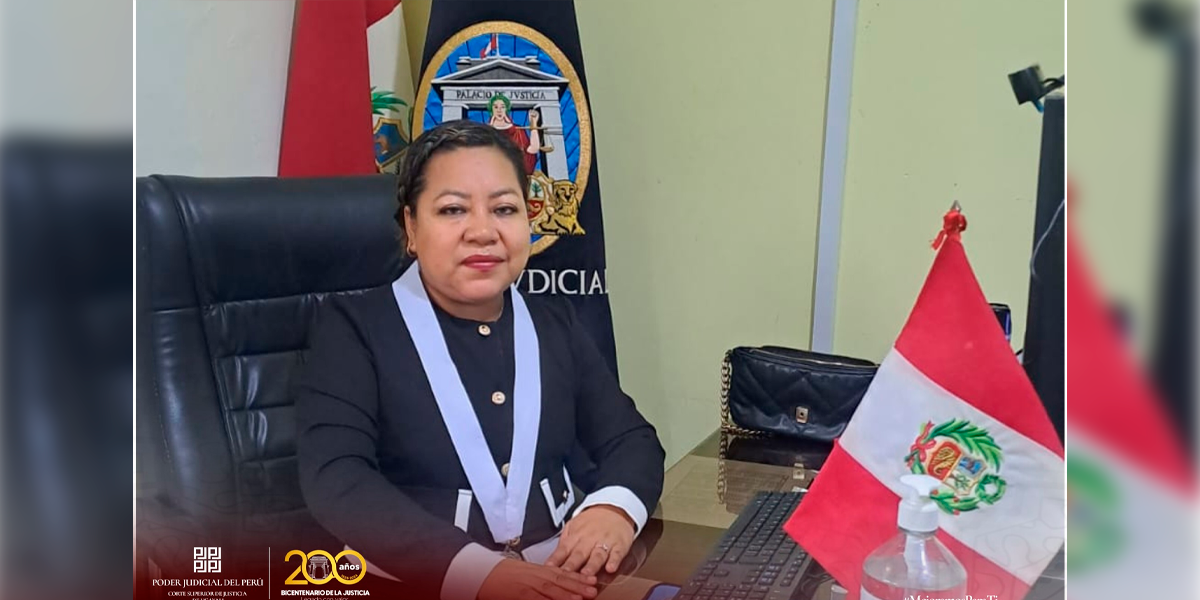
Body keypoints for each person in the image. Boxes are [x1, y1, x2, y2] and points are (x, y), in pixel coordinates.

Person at [296, 119, 665, 600]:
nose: (483, 232)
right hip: (419, 580)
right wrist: (476, 572)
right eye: (453, 209)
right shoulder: (354, 327)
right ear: (411, 227)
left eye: (504, 209)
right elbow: (337, 478)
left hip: (561, 574)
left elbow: (631, 439)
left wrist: (613, 509)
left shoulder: (554, 321)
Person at [486, 93, 540, 174]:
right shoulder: (485, 132)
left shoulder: (517, 130)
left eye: (502, 107)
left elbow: (533, 149)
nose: (499, 110)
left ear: (506, 109)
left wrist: (533, 123)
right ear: (491, 109)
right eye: (496, 107)